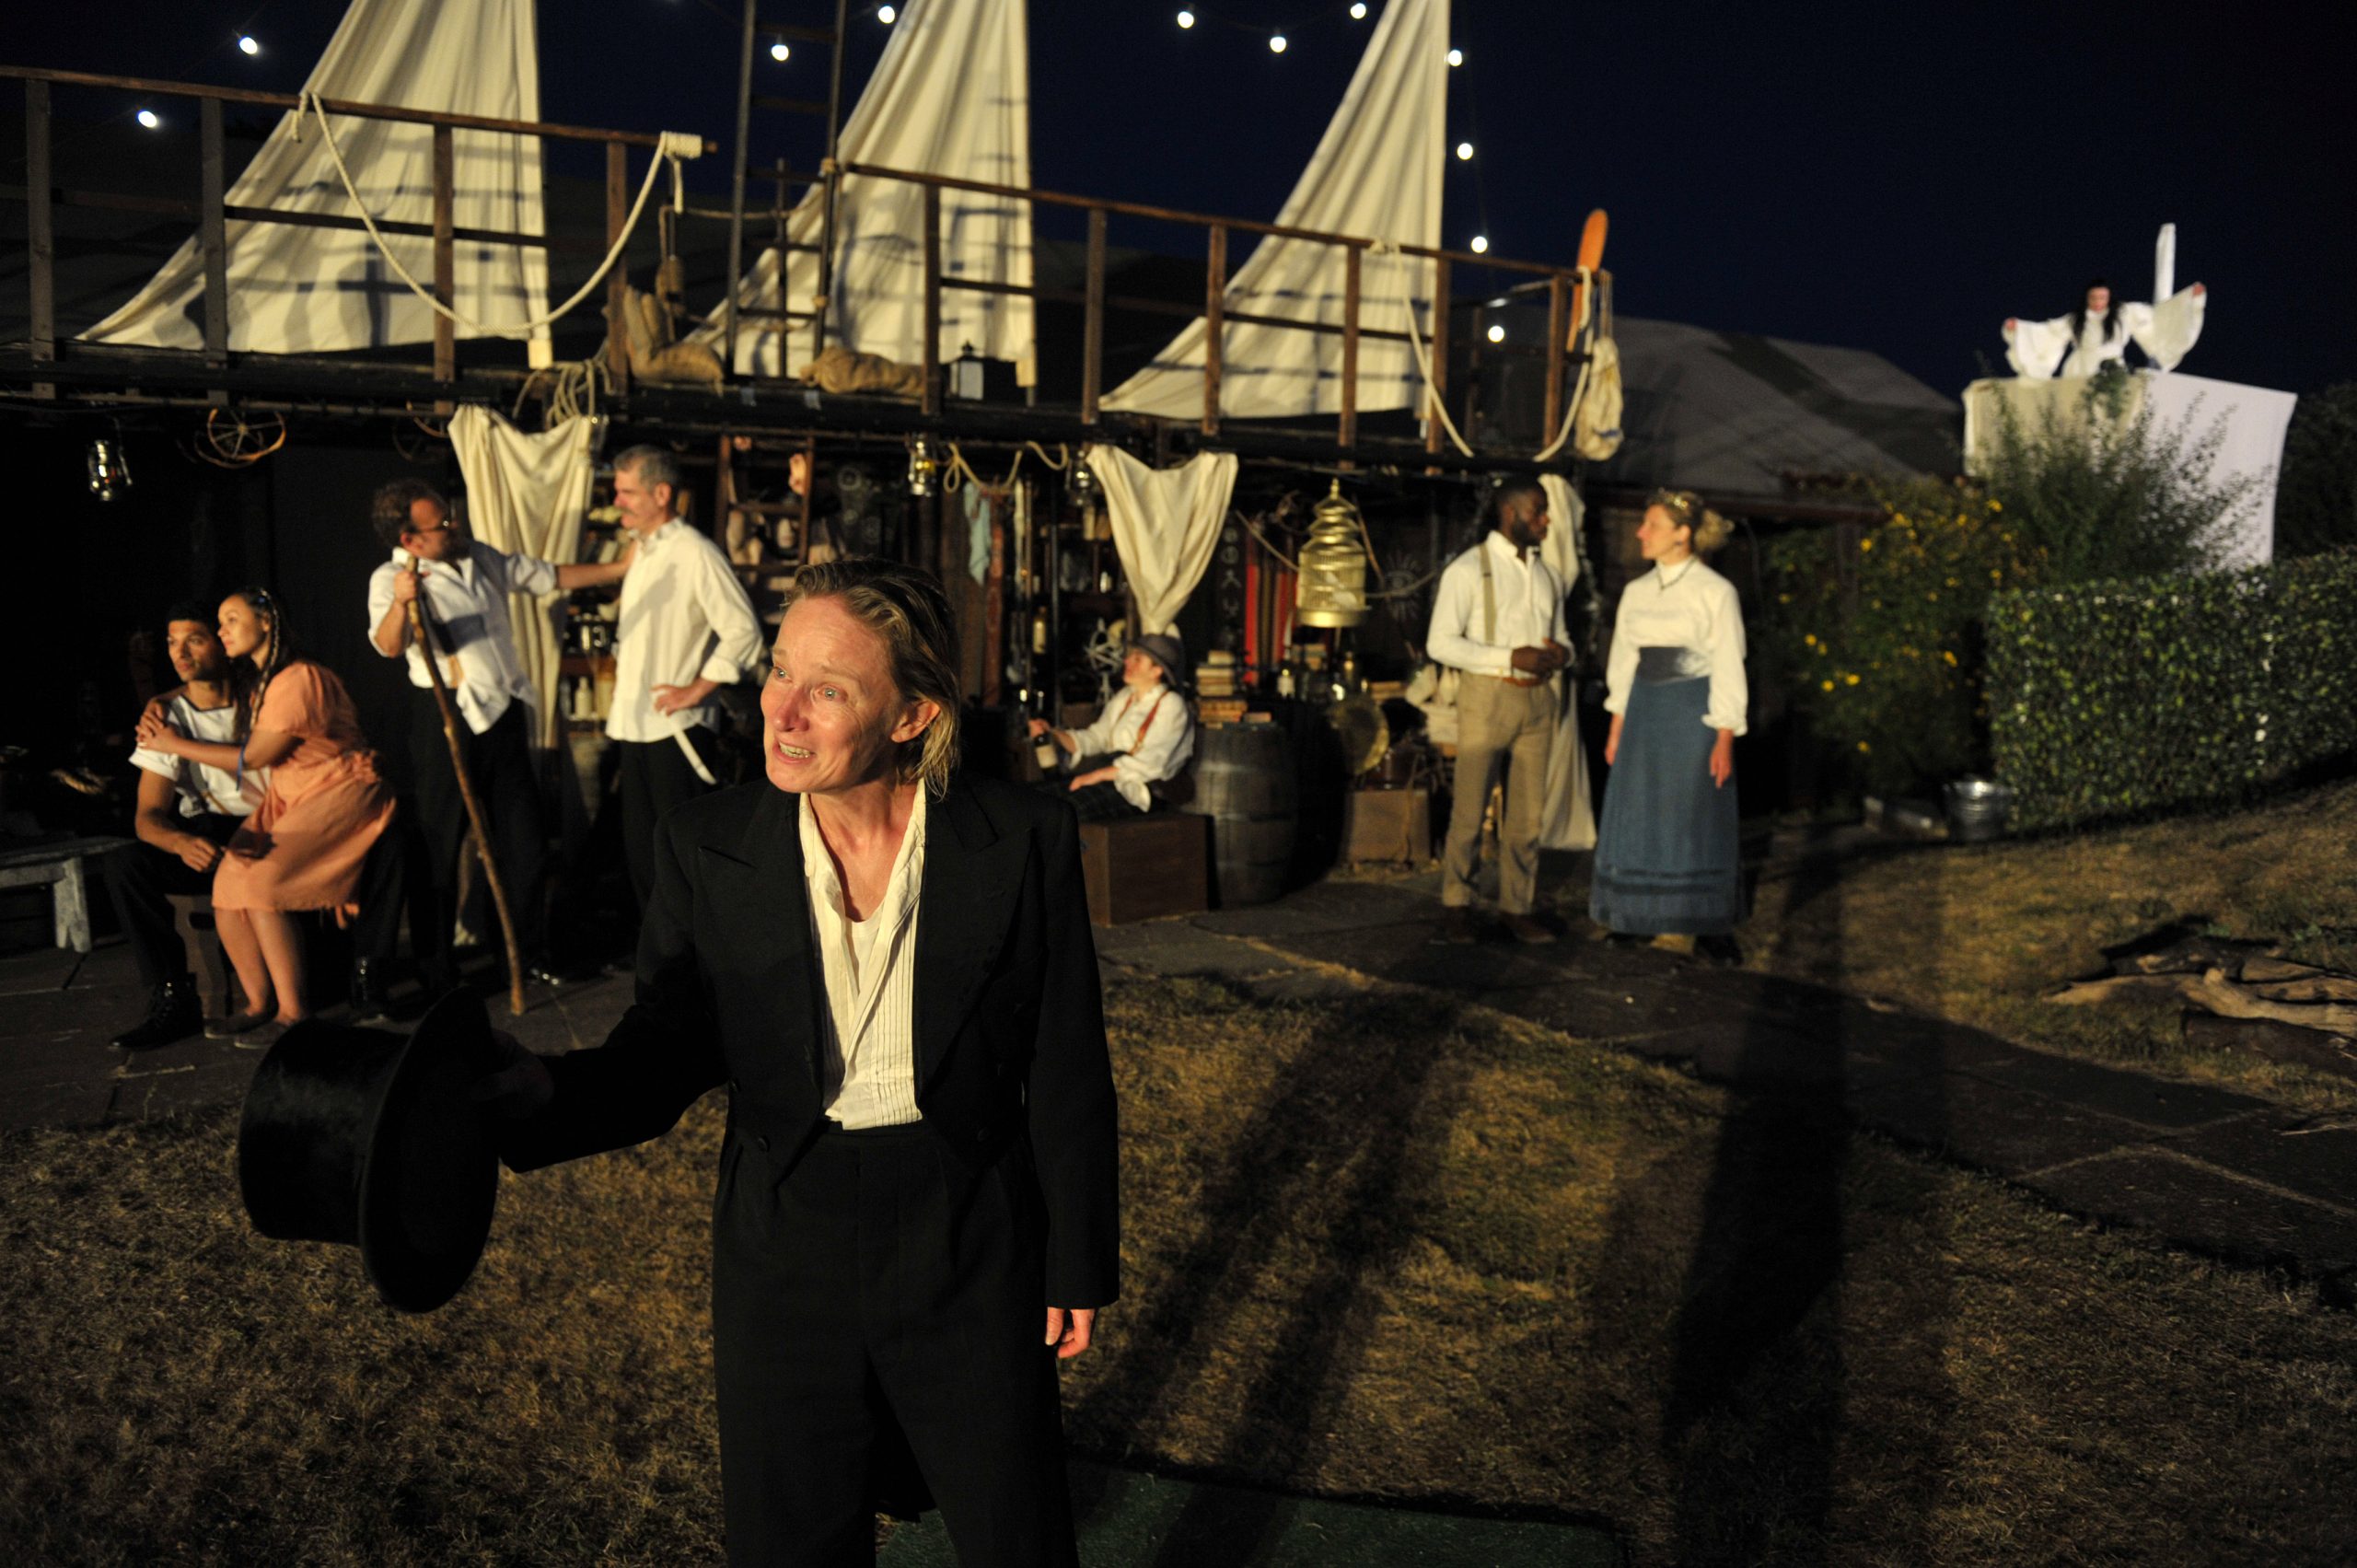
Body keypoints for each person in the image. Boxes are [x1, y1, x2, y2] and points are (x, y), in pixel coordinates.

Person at [480, 557, 1119, 1566]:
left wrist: (1076, 1255)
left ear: (910, 716)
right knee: (792, 1539)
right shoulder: (706, 841)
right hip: (786, 1235)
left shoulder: (1021, 835)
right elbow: (667, 1045)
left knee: (1018, 1531)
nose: (783, 712)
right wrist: (548, 1091)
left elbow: (1067, 1057)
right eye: (780, 672)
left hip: (970, 1227)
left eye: (828, 689)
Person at [366, 479, 632, 981]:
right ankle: (436, 968)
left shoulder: (479, 557)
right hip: (446, 719)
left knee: (526, 840)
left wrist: (619, 567)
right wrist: (403, 602)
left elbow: (545, 575)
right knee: (441, 845)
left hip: (503, 715)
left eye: (450, 515)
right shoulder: (391, 578)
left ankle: (528, 952)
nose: (453, 525)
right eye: (440, 524)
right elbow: (388, 645)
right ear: (410, 540)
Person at [136, 588, 395, 1048]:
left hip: (333, 788)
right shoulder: (263, 680)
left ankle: (295, 1012)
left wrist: (172, 743)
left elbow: (255, 756)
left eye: (230, 621)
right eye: (219, 623)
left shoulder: (298, 679)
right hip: (293, 792)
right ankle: (258, 1004)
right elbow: (200, 685)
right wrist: (159, 699)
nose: (223, 631)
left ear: (267, 622)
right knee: (228, 885)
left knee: (261, 883)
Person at [602, 444, 765, 911]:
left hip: (677, 730)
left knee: (680, 858)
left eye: (627, 492)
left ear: (661, 493)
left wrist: (697, 688)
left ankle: (693, 964)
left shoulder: (695, 552)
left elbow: (743, 631)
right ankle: (658, 963)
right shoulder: (643, 553)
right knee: (642, 856)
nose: (618, 502)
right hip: (635, 725)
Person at [1590, 490, 1747, 953]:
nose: (1641, 533)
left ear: (1682, 534)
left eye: (1652, 525)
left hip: (1692, 711)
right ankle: (1635, 916)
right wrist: (1618, 724)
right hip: (1644, 710)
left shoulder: (1716, 592)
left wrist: (1724, 735)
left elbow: (1728, 663)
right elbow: (1623, 658)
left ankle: (1708, 923)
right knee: (1640, 808)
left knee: (1693, 812)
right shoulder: (1637, 593)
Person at [101, 604, 256, 1049]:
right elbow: (147, 816)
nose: (179, 652)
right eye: (171, 642)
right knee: (126, 864)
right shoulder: (168, 716)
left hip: (266, 828)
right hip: (206, 833)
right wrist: (181, 841)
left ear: (225, 644)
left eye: (194, 639)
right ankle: (173, 994)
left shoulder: (263, 700)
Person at [1423, 480, 1571, 945]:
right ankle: (1456, 904)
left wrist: (1561, 654)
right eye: (1538, 511)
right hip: (1488, 696)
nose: (1546, 520)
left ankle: (1516, 906)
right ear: (1510, 514)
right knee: (1470, 808)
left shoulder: (1548, 575)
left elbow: (1562, 635)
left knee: (1527, 817)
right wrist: (1510, 657)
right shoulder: (1469, 570)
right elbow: (1440, 642)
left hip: (1538, 700)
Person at [1027, 631, 1196, 821]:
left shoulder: (1172, 704)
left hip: (1137, 787)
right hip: (1108, 775)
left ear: (1156, 671)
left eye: (1137, 659)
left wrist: (1095, 776)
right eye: (1130, 656)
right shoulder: (1125, 697)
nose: (1127, 661)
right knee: (1030, 798)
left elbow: (1155, 760)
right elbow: (1098, 738)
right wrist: (1054, 734)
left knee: (1066, 811)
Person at [2003, 277, 2207, 379]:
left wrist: (2190, 299)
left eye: (2102, 297)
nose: (2098, 302)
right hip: (2081, 368)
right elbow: (2049, 333)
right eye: (2094, 298)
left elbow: (2157, 317)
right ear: (2087, 298)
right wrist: (2019, 329)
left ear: (2108, 297)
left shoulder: (2124, 313)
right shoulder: (2076, 319)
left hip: (2111, 368)